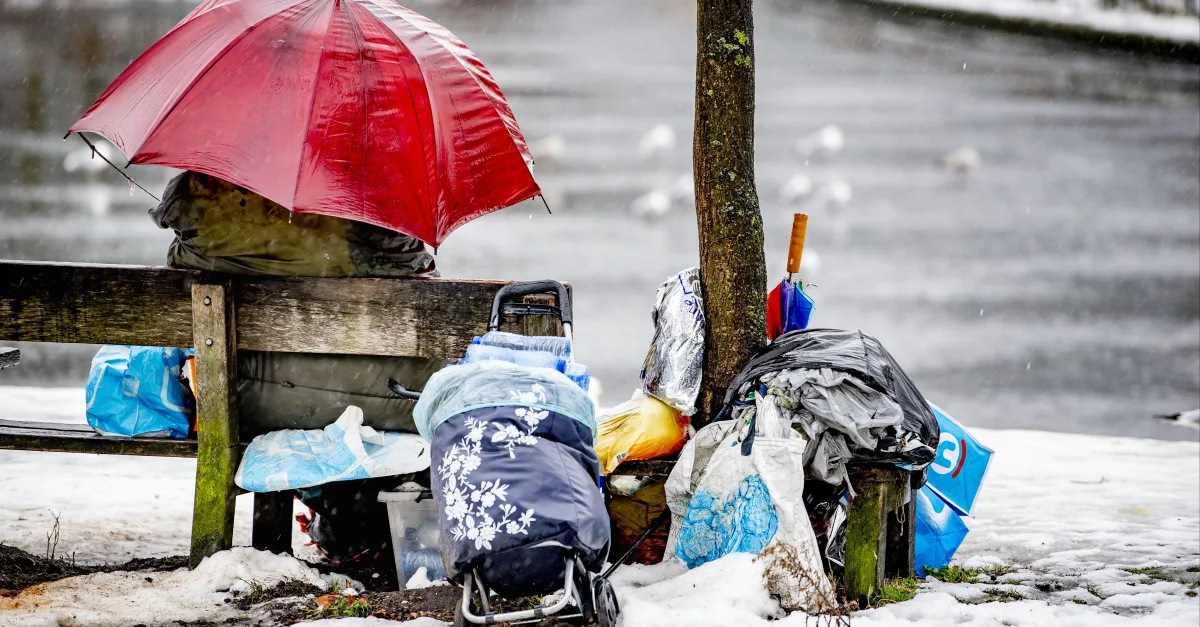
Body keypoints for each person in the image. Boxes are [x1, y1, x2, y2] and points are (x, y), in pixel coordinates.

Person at [152, 170, 442, 567]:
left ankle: (333, 523)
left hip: (244, 402)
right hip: (386, 402)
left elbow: (180, 266)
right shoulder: (378, 202)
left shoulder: (207, 206)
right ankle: (370, 526)